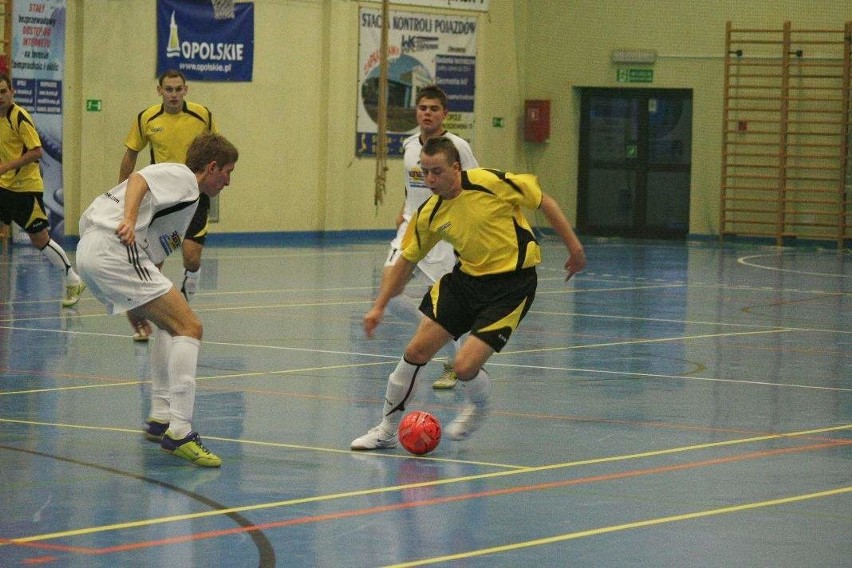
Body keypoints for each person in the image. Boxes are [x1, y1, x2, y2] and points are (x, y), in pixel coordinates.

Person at [351, 136, 586, 450]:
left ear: (456, 168)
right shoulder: (430, 213)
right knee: (416, 352)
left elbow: (545, 202)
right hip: (465, 282)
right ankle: (386, 429)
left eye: (437, 172)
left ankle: (480, 406)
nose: (430, 180)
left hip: (511, 287)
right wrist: (379, 306)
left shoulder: (491, 183)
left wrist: (575, 249)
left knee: (463, 367)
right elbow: (407, 259)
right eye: (425, 172)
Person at [76, 132, 239, 467]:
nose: (228, 182)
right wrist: (130, 219)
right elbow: (139, 179)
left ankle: (160, 416)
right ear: (211, 167)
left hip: (98, 253)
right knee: (190, 326)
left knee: (169, 323)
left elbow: (153, 262)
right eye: (228, 172)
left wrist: (135, 306)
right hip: (112, 247)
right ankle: (180, 431)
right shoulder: (184, 178)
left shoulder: (187, 204)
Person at [384, 85, 479, 390]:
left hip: (443, 231)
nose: (427, 113)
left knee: (449, 302)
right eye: (423, 108)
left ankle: (454, 359)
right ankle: (439, 334)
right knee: (390, 296)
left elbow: (473, 184)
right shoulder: (410, 146)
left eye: (434, 109)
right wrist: (404, 209)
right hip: (412, 226)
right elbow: (413, 186)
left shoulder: (457, 146)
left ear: (444, 114)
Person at [119, 69, 218, 341]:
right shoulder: (147, 119)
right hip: (162, 198)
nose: (173, 94)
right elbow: (131, 156)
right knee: (153, 261)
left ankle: (188, 293)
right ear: (159, 90)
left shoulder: (202, 115)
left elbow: (215, 150)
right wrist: (122, 193)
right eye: (168, 89)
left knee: (191, 257)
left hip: (194, 195)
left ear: (186, 90)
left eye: (178, 89)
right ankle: (147, 321)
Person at [0, 73, 85, 307]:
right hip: (3, 187)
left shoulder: (19, 117)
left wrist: (6, 166)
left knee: (40, 240)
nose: (1, 97)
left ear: (12, 92)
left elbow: (36, 151)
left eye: (3, 91)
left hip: (25, 189)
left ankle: (72, 278)